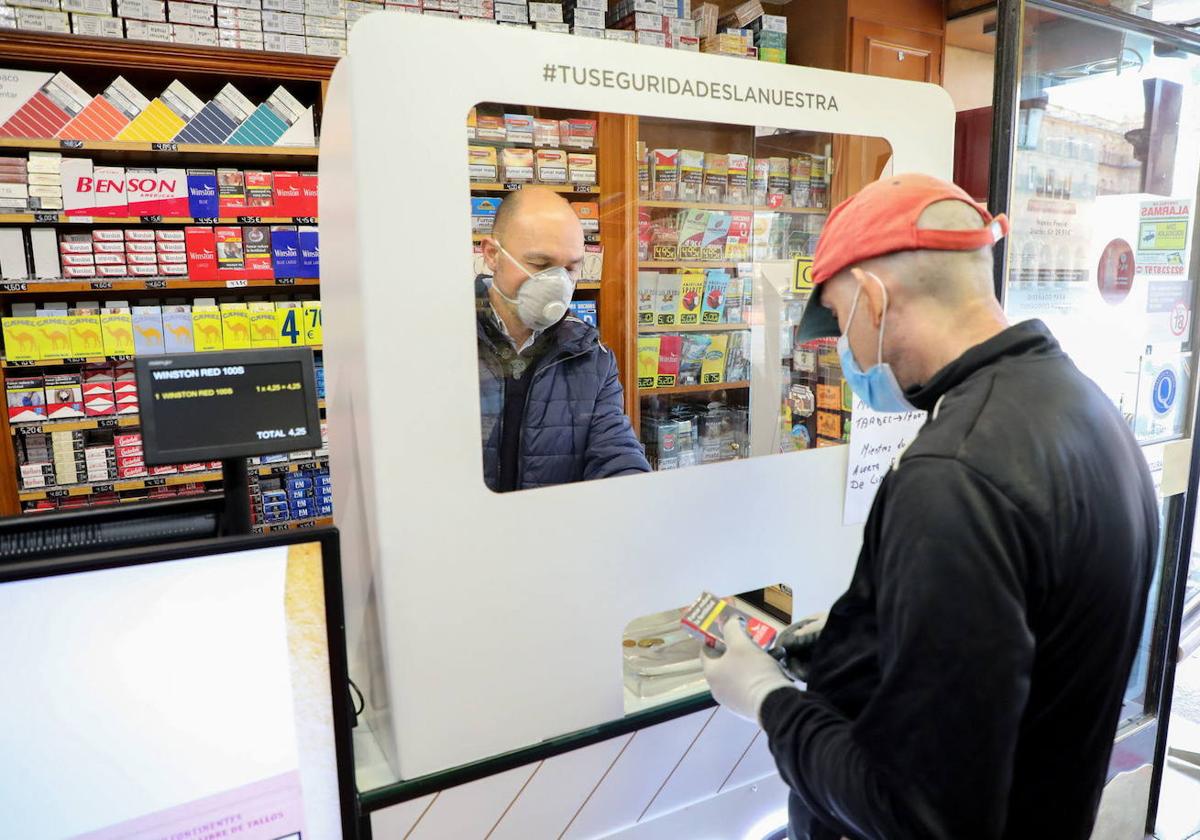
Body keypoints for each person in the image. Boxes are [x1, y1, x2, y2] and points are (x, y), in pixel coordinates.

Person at [701, 174, 1157, 840]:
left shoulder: (953, 472)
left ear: (873, 297)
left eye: (836, 318)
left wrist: (767, 702)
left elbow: (917, 813)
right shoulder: (1083, 408)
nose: (842, 353)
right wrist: (862, 637)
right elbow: (1014, 650)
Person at [476, 186, 650, 491]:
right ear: (492, 255)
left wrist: (635, 498)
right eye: (540, 264)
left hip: (555, 533)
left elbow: (616, 451)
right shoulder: (441, 338)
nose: (556, 284)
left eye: (570, 268)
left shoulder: (590, 356)